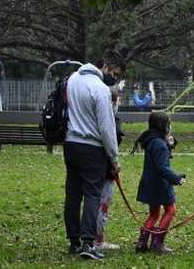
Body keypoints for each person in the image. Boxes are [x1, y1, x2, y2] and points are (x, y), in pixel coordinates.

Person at [63, 56, 122, 261]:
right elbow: (106, 127)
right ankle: (89, 242)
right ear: (105, 66)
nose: (113, 79)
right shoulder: (100, 88)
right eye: (114, 74)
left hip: (70, 143)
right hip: (92, 147)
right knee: (92, 194)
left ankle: (74, 240)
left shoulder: (72, 80)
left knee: (72, 192)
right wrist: (114, 157)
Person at [134, 111, 186, 253]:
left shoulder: (152, 139)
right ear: (162, 124)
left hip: (149, 182)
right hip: (160, 184)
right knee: (171, 210)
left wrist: (169, 145)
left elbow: (159, 159)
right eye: (168, 122)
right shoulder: (159, 143)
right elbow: (162, 167)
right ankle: (157, 243)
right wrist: (176, 178)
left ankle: (142, 243)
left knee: (154, 213)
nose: (170, 125)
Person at [94, 85, 124, 251]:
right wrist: (115, 161)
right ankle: (98, 239)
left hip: (92, 165)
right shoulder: (111, 121)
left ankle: (91, 237)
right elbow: (113, 139)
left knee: (93, 202)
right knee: (102, 204)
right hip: (106, 168)